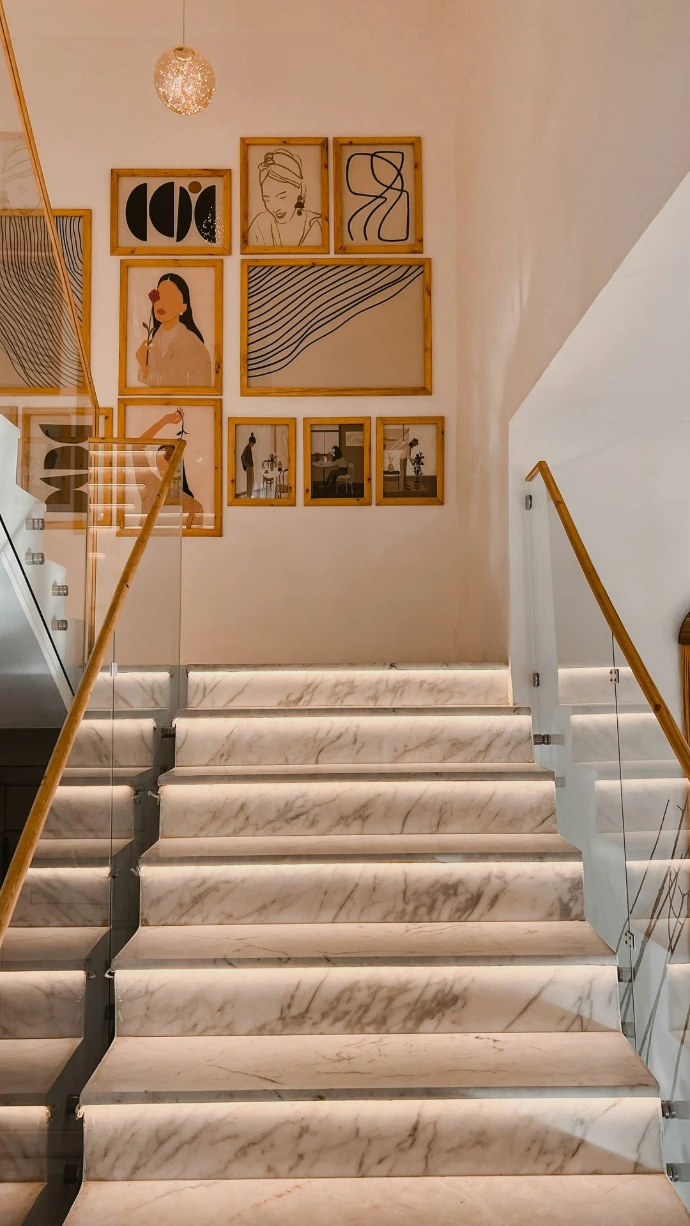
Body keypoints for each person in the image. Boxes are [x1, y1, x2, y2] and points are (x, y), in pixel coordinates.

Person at [136, 273, 212, 389]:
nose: (161, 303)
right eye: (159, 297)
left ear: (183, 307)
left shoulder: (195, 347)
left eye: (170, 298)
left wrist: (145, 370)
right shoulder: (153, 342)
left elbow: (198, 394)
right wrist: (144, 367)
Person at [133, 408, 203, 530]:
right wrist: (164, 421)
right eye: (159, 463)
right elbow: (136, 447)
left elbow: (193, 540)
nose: (162, 469)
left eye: (166, 463)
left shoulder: (194, 506)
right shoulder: (150, 483)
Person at [248, 148, 322, 248]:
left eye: (282, 197)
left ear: (299, 189)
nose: (275, 208)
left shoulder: (318, 223)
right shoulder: (260, 223)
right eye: (267, 199)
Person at [240, 432, 256, 498]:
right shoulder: (247, 448)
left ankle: (251, 494)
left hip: (251, 467)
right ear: (250, 442)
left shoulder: (249, 448)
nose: (253, 445)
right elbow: (242, 458)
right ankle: (249, 495)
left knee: (251, 481)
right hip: (249, 468)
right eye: (253, 443)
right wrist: (247, 466)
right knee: (249, 482)